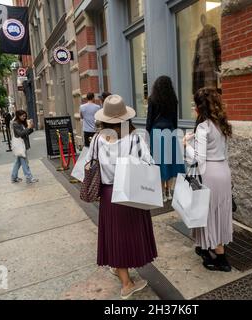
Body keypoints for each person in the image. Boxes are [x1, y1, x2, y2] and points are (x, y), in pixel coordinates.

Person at [87, 94, 158, 299]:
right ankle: (127, 284)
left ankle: (119, 268)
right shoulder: (135, 138)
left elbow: (90, 165)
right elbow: (149, 163)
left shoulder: (97, 139)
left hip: (108, 193)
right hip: (131, 191)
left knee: (115, 236)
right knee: (129, 236)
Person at [183, 87, 233, 272]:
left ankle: (221, 259)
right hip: (223, 172)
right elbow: (219, 149)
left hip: (209, 173)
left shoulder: (204, 126)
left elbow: (196, 159)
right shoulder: (221, 123)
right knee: (219, 213)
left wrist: (186, 144)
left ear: (199, 106)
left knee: (209, 214)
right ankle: (204, 246)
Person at [146, 76, 185, 202]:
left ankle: (162, 192)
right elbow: (175, 119)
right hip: (170, 131)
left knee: (159, 162)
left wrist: (148, 133)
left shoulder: (152, 99)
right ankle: (168, 191)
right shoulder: (173, 99)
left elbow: (149, 119)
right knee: (169, 162)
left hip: (156, 132)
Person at [11, 110, 38, 184]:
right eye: (23, 116)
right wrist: (28, 127)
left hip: (23, 145)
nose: (24, 117)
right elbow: (20, 134)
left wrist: (31, 127)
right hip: (20, 146)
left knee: (18, 162)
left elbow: (27, 133)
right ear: (18, 116)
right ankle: (29, 178)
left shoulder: (21, 123)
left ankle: (14, 177)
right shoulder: (15, 123)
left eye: (25, 116)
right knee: (25, 162)